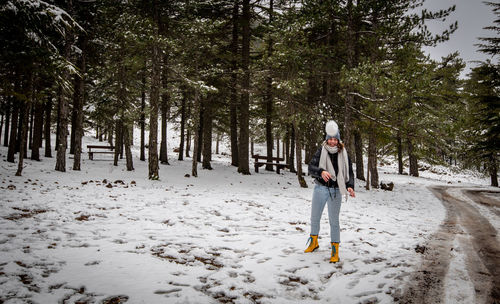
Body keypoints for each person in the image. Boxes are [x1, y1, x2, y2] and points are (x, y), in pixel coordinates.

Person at [305, 120, 355, 263]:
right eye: (330, 139)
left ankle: (335, 251)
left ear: (338, 140)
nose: (332, 142)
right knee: (315, 217)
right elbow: (310, 167)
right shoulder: (321, 150)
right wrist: (320, 172)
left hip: (336, 190)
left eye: (335, 139)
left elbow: (349, 173)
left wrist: (350, 186)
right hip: (320, 188)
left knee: (334, 221)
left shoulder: (344, 153)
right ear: (327, 139)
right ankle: (314, 242)